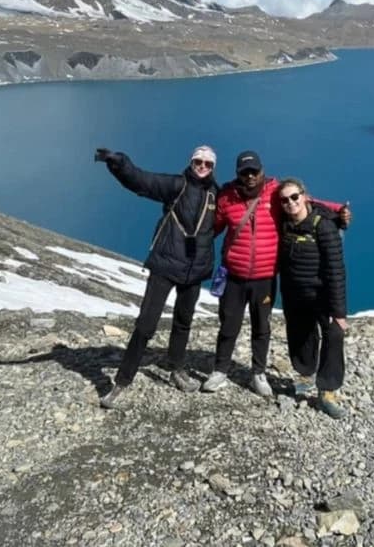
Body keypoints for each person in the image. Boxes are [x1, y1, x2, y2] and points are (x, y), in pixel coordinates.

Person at [200, 150, 351, 397]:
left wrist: (339, 211)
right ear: (238, 174)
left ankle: (258, 373)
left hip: (264, 277)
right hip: (235, 275)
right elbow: (213, 227)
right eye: (244, 172)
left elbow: (308, 201)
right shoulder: (227, 196)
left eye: (254, 171)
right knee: (228, 325)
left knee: (262, 327)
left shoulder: (275, 191)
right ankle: (220, 370)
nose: (250, 176)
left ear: (262, 171)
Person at [93, 145, 220, 409]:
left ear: (213, 168)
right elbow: (142, 181)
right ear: (191, 161)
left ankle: (176, 368)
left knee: (183, 322)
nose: (202, 167)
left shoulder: (216, 194)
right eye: (198, 161)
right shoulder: (175, 185)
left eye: (208, 164)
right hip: (165, 265)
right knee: (145, 326)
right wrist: (119, 164)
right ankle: (121, 383)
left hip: (194, 272)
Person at [275, 177, 349, 419]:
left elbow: (336, 270)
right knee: (300, 334)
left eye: (295, 197)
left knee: (333, 336)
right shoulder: (284, 224)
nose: (290, 203)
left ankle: (327, 390)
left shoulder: (323, 226)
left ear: (305, 196)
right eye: (284, 200)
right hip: (295, 294)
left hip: (322, 296)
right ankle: (306, 375)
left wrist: (339, 312)